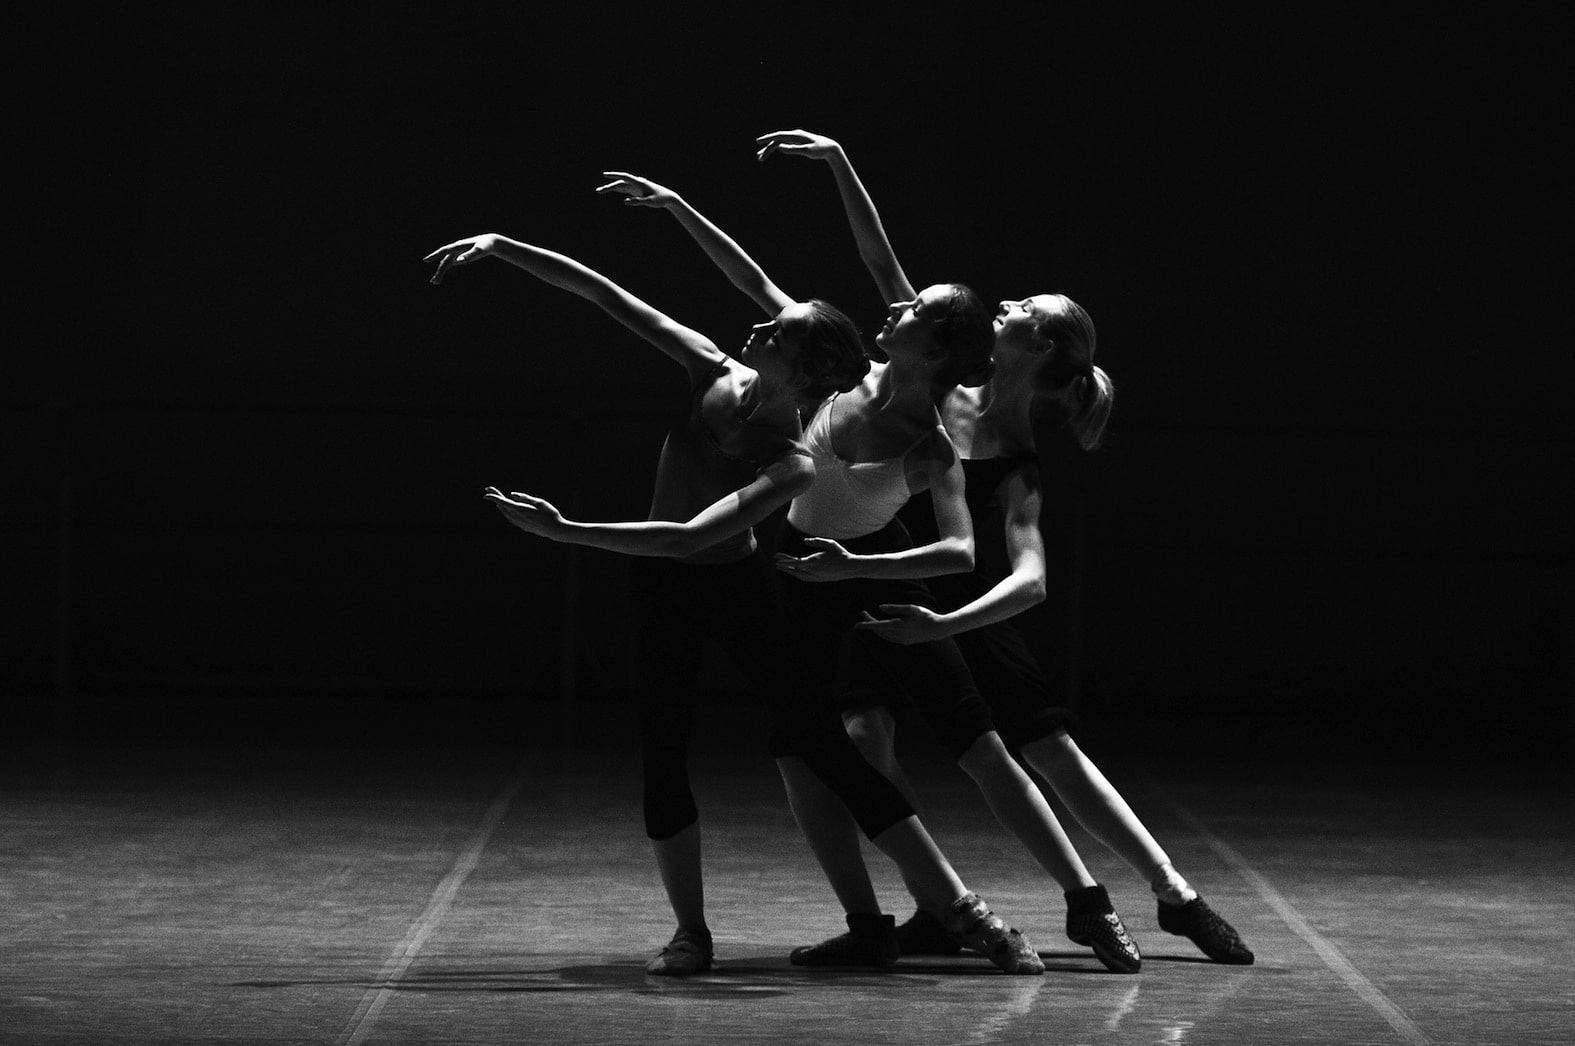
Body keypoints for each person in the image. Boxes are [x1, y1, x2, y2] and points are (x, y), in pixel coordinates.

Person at [425, 179, 1044, 977]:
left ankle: (962, 911)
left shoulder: (791, 460)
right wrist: (506, 247)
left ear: (799, 366)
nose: (756, 324)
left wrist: (563, 529)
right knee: (664, 747)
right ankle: (691, 931)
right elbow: (610, 296)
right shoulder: (710, 367)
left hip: (734, 587)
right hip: (663, 591)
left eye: (776, 332)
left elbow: (691, 538)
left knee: (821, 743)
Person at [757, 127, 1255, 966]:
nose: (1005, 307)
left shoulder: (1018, 462)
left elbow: (1026, 581)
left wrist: (947, 623)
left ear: (1043, 346)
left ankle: (1172, 895)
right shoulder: (941, 386)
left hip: (963, 606)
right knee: (862, 734)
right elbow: (883, 267)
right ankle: (933, 905)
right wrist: (841, 163)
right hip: (888, 583)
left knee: (1044, 749)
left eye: (1023, 310)